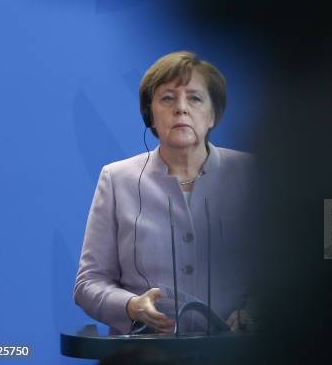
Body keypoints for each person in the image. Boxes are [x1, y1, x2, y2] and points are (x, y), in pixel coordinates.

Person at [74, 51, 255, 335]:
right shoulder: (117, 179)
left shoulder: (253, 174)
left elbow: (287, 272)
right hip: (147, 352)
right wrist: (131, 305)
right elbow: (89, 284)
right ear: (150, 115)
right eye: (167, 98)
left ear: (213, 115)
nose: (181, 108)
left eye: (195, 98)